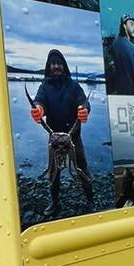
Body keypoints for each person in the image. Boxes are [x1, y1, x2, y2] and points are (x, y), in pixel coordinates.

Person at [29, 49, 94, 216]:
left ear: (64, 66)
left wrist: (84, 110)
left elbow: (84, 103)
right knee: (53, 171)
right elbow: (39, 102)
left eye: (59, 63)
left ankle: (90, 200)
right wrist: (38, 110)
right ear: (48, 67)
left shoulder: (74, 86)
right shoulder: (44, 87)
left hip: (74, 138)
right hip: (54, 139)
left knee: (82, 168)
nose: (56, 66)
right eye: (53, 64)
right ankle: (55, 202)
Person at [112, 14, 134, 96]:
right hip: (131, 94)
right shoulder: (131, 48)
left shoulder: (115, 43)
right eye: (131, 24)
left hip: (120, 93)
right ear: (124, 26)